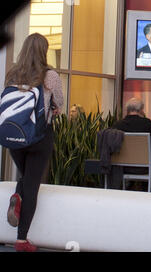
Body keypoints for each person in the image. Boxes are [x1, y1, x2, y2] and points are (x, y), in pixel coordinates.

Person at [4, 33, 64, 252]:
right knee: (31, 185)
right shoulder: (49, 75)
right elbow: (59, 104)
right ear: (44, 51)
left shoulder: (12, 73)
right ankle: (21, 240)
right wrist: (54, 107)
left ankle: (16, 198)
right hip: (39, 137)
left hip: (14, 137)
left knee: (25, 179)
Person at [112, 98, 151, 189]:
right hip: (146, 168)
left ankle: (129, 188)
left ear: (127, 110)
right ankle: (149, 190)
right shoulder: (147, 124)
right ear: (141, 110)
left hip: (124, 168)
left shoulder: (118, 125)